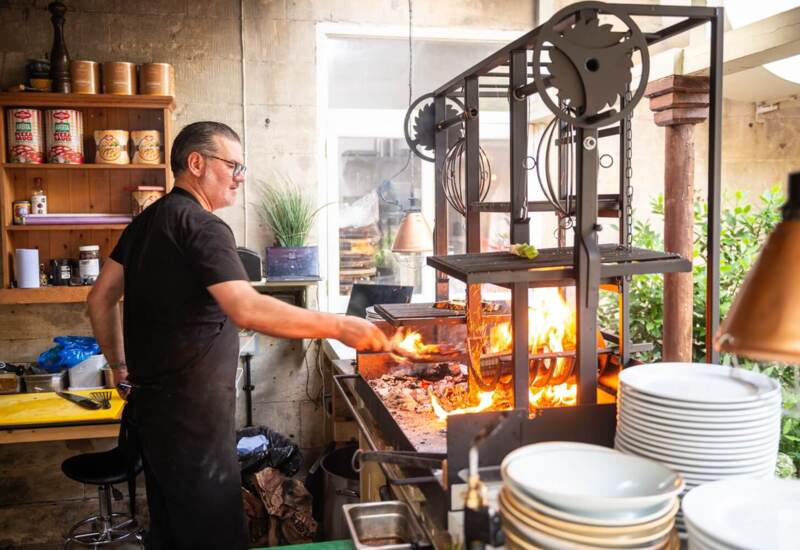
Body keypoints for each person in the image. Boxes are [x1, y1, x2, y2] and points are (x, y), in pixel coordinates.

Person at [87, 121, 390, 549]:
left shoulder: (147, 221)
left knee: (171, 533)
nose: (240, 176)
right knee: (214, 535)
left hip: (151, 416)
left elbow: (99, 299)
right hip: (194, 422)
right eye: (234, 165)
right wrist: (342, 325)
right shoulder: (203, 226)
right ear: (196, 163)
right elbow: (246, 307)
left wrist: (120, 365)